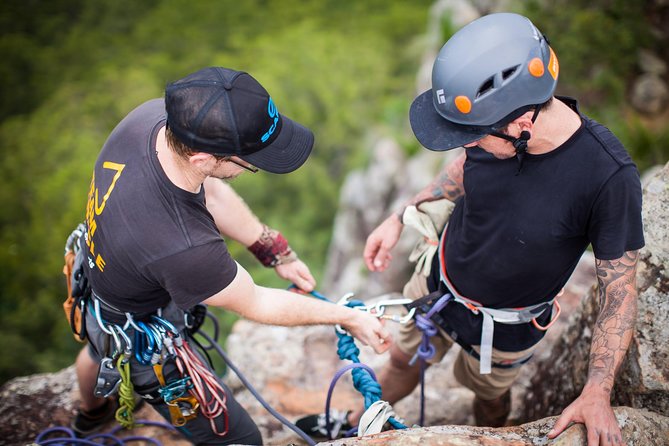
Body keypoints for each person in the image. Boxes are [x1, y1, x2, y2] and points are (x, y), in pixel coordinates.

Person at [301, 13, 644, 446]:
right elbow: (463, 169)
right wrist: (401, 215)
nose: (466, 144)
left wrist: (597, 390)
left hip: (505, 325)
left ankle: (491, 429)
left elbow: (620, 290)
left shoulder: (607, 178)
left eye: (474, 135)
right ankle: (351, 422)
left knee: (489, 398)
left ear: (522, 126)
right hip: (438, 284)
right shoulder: (492, 133)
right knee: (403, 364)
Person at [68, 66, 392, 445]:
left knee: (99, 347)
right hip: (141, 331)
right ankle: (98, 412)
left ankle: (91, 415)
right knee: (239, 438)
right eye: (247, 161)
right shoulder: (182, 245)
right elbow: (257, 303)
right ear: (204, 158)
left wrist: (273, 250)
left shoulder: (155, 119)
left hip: (101, 274)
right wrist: (348, 317)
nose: (251, 168)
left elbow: (210, 191)